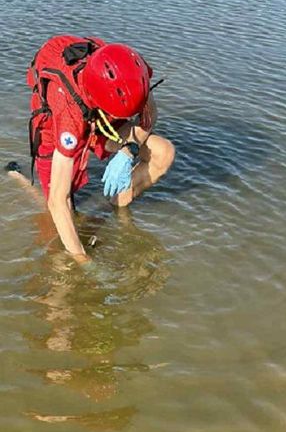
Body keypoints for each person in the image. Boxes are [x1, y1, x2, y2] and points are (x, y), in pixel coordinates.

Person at [8, 36, 175, 264]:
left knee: (163, 152)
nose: (125, 121)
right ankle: (16, 176)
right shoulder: (68, 115)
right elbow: (59, 201)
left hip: (100, 105)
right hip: (58, 115)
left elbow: (148, 117)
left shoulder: (134, 71)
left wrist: (129, 150)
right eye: (121, 117)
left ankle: (117, 204)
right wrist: (82, 261)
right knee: (58, 214)